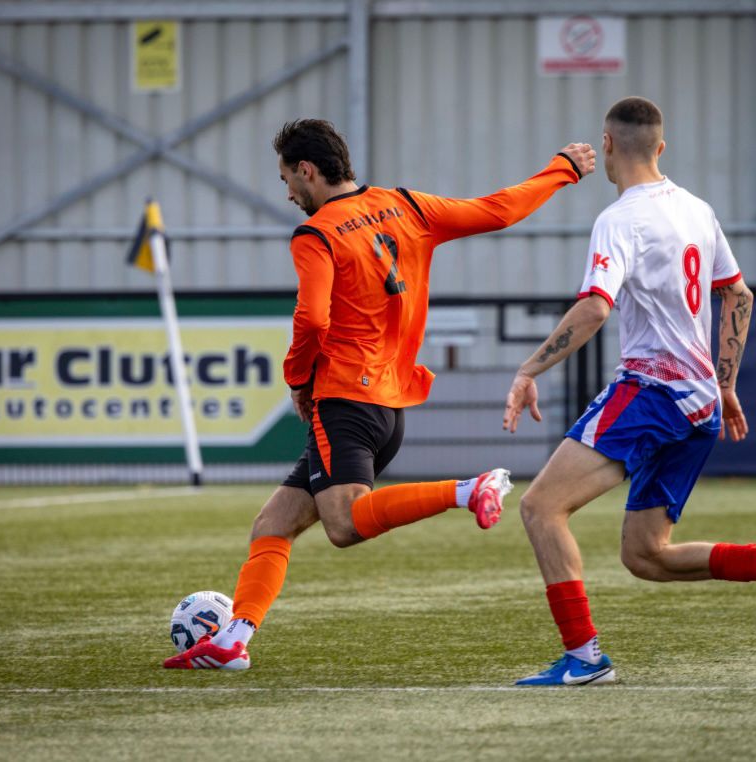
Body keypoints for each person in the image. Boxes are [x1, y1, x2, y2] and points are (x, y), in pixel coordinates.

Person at [165, 118, 596, 670]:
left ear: (307, 170)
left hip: (343, 399)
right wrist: (561, 169)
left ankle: (468, 490)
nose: (288, 192)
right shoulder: (408, 206)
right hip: (389, 404)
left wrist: (298, 379)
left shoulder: (317, 233)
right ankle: (231, 641)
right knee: (273, 525)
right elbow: (498, 209)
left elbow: (312, 317)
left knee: (343, 524)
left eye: (286, 179)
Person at [502, 97, 756, 686]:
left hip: (653, 391)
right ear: (661, 148)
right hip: (697, 402)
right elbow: (739, 295)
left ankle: (585, 660)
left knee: (540, 507)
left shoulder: (619, 220)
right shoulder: (697, 209)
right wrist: (724, 385)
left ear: (610, 145)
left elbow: (596, 307)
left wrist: (527, 370)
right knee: (645, 554)